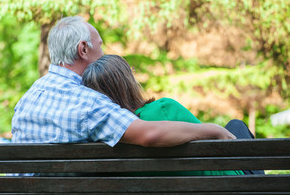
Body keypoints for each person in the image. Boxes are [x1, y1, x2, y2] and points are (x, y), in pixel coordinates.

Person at [11, 16, 235, 150]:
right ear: (83, 49)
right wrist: (211, 130)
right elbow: (148, 134)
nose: (104, 53)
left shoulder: (27, 99)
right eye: (101, 47)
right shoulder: (87, 103)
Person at [82, 54, 263, 175]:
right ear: (128, 82)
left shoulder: (101, 134)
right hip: (225, 185)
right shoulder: (163, 109)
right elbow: (216, 147)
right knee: (236, 126)